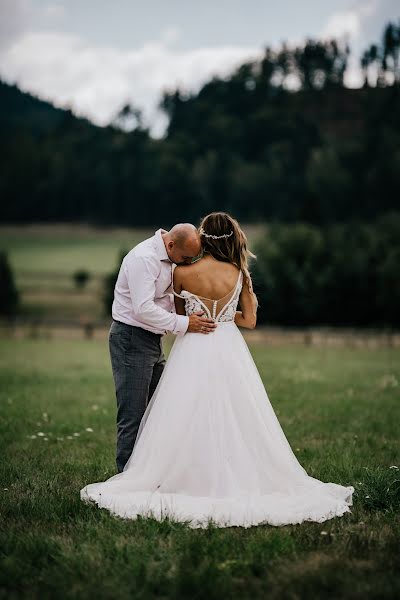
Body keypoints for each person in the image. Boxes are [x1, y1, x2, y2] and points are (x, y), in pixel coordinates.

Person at [80, 212, 354, 528]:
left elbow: (180, 311)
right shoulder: (240, 274)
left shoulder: (181, 272)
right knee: (236, 410)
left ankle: (152, 475)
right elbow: (250, 320)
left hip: (192, 343)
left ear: (204, 239)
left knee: (173, 412)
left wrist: (198, 316)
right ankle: (217, 472)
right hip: (226, 345)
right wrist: (224, 316)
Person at [109, 223, 216, 473]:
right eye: (186, 257)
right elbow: (143, 308)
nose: (188, 263)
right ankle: (125, 478)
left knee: (162, 408)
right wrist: (185, 323)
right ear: (170, 245)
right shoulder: (143, 259)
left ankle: (152, 471)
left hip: (152, 341)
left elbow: (164, 299)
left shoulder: (170, 258)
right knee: (133, 413)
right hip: (131, 340)